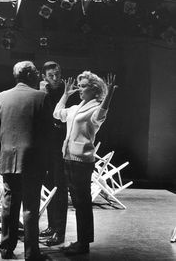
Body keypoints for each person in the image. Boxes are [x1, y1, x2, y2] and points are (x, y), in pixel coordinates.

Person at [0, 61, 52, 261]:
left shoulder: (1, 96)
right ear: (29, 75)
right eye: (36, 72)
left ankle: (6, 249)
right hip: (32, 160)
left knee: (9, 206)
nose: (38, 75)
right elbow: (47, 132)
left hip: (9, 157)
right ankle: (31, 253)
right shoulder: (41, 97)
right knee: (30, 207)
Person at [53, 71, 117, 256]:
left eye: (83, 86)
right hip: (68, 158)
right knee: (78, 203)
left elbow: (100, 117)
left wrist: (109, 94)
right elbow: (57, 114)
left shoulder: (96, 107)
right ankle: (82, 241)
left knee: (82, 203)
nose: (79, 89)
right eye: (79, 86)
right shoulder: (76, 107)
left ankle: (83, 244)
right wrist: (65, 94)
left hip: (81, 161)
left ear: (95, 90)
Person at [39, 61, 78, 246]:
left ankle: (59, 233)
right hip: (46, 149)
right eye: (51, 75)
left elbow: (70, 116)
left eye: (57, 74)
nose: (55, 78)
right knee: (48, 189)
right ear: (44, 76)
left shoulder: (68, 91)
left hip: (62, 149)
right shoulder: (42, 92)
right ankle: (51, 226)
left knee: (60, 190)